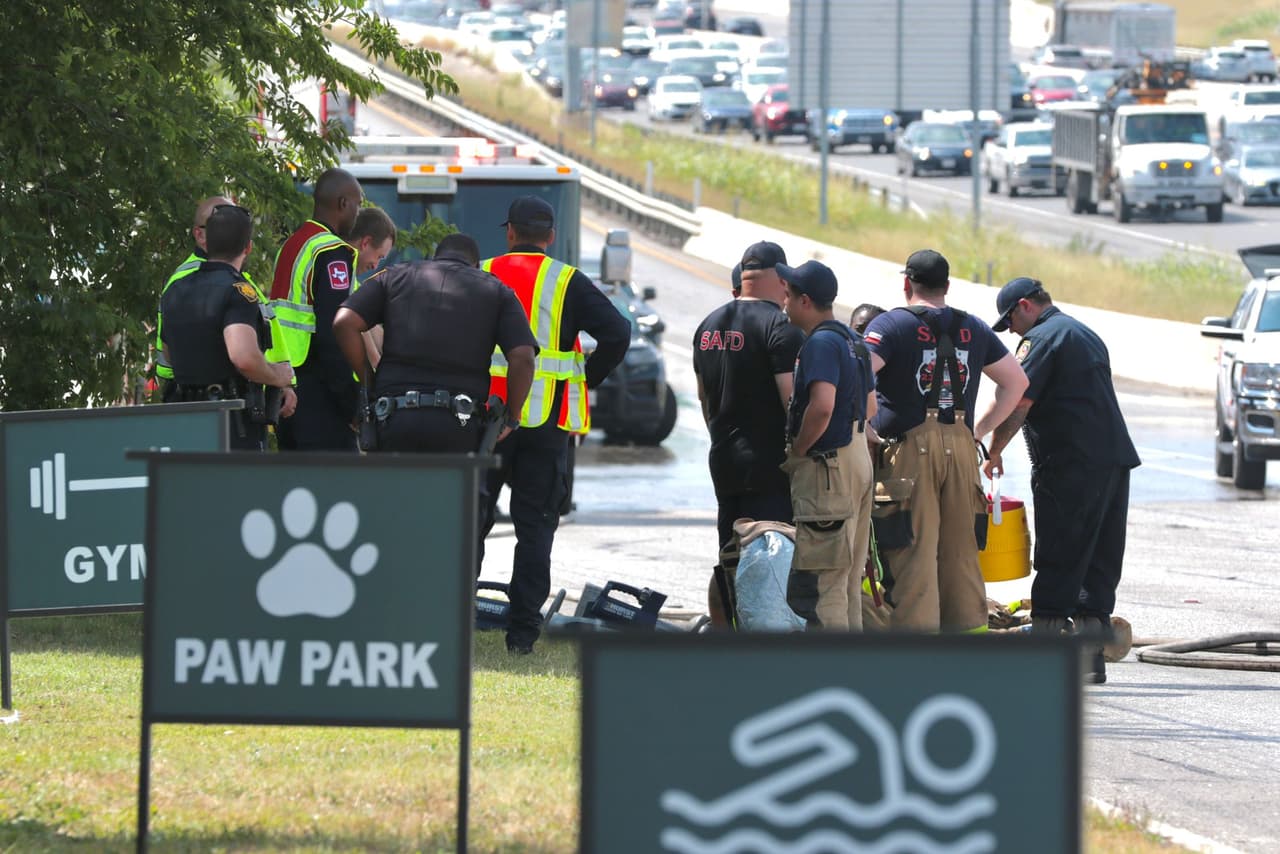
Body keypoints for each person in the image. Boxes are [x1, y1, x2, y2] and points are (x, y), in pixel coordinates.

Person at [479, 196, 630, 655]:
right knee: (535, 529)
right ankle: (521, 636)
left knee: (469, 522)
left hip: (487, 419)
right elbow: (618, 333)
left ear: (509, 233)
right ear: (549, 236)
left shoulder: (482, 271)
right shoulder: (567, 281)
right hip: (546, 423)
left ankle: (455, 619)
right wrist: (587, 375)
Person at [862, 249, 1028, 633]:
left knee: (912, 554)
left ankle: (917, 654)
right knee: (961, 554)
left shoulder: (889, 326)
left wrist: (867, 427)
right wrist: (979, 430)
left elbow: (858, 374)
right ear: (947, 286)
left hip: (909, 451)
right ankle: (967, 645)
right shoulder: (974, 327)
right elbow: (1016, 382)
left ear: (907, 284)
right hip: (962, 450)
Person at [983, 277, 1140, 683]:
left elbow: (1019, 402)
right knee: (1099, 557)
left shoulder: (1041, 339)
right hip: (1112, 461)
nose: (1013, 331)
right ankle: (1089, 659)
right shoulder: (1084, 333)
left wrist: (992, 447)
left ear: (1024, 306)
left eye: (1011, 321)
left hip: (1070, 464)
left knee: (1060, 551)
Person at [331, 233, 536, 454]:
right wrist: (512, 418)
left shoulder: (393, 276)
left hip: (394, 420)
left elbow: (344, 322)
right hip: (459, 428)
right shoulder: (498, 292)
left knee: (395, 489)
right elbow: (523, 358)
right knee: (453, 489)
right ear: (476, 266)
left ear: (435, 258)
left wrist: (369, 384)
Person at [693, 241, 805, 623]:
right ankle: (765, 640)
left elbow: (705, 398)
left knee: (731, 553)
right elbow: (793, 403)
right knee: (772, 557)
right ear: (781, 278)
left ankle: (730, 634)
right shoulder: (781, 328)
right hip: (771, 464)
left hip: (725, 460)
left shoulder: (708, 325)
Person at [778, 260, 876, 630]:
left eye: (788, 296)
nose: (783, 303)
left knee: (825, 582)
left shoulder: (819, 343)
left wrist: (800, 449)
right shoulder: (854, 341)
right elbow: (870, 407)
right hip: (856, 458)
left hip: (828, 468)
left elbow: (821, 406)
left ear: (805, 301)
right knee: (849, 577)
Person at [160, 204, 297, 450]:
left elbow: (168, 352)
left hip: (182, 418)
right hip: (230, 421)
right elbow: (243, 357)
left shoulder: (175, 289)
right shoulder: (239, 292)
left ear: (206, 241)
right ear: (248, 248)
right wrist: (278, 376)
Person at [269, 168, 365, 451]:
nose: (358, 214)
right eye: (358, 205)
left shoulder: (293, 245)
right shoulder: (331, 252)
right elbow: (334, 333)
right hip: (321, 396)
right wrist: (351, 404)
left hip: (287, 389)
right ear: (343, 203)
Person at [154, 195, 234, 400]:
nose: (234, 233)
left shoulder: (231, 274)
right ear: (200, 235)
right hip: (211, 396)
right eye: (222, 227)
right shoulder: (189, 280)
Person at [347, 206, 398, 369]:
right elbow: (372, 353)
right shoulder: (340, 275)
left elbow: (373, 330)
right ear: (366, 243)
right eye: (379, 257)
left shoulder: (352, 282)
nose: (375, 266)